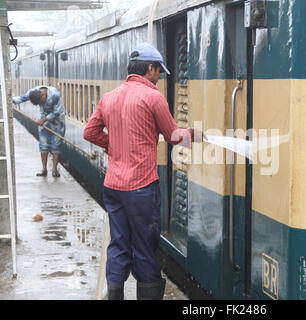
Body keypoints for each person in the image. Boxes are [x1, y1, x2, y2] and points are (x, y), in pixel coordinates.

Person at [83, 43, 205, 300]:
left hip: (113, 186)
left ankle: (115, 295)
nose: (159, 77)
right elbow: (173, 136)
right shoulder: (152, 97)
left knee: (118, 244)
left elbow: (89, 132)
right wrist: (194, 136)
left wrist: (113, 145)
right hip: (140, 188)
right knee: (144, 248)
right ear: (150, 68)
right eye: (159, 71)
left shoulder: (109, 97)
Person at [13, 86, 66, 178]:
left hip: (58, 121)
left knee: (56, 145)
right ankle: (44, 169)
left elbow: (58, 111)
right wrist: (9, 99)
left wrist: (43, 120)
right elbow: (20, 99)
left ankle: (54, 169)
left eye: (41, 102)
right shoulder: (32, 92)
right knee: (43, 144)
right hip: (44, 120)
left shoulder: (55, 95)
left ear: (43, 95)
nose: (40, 104)